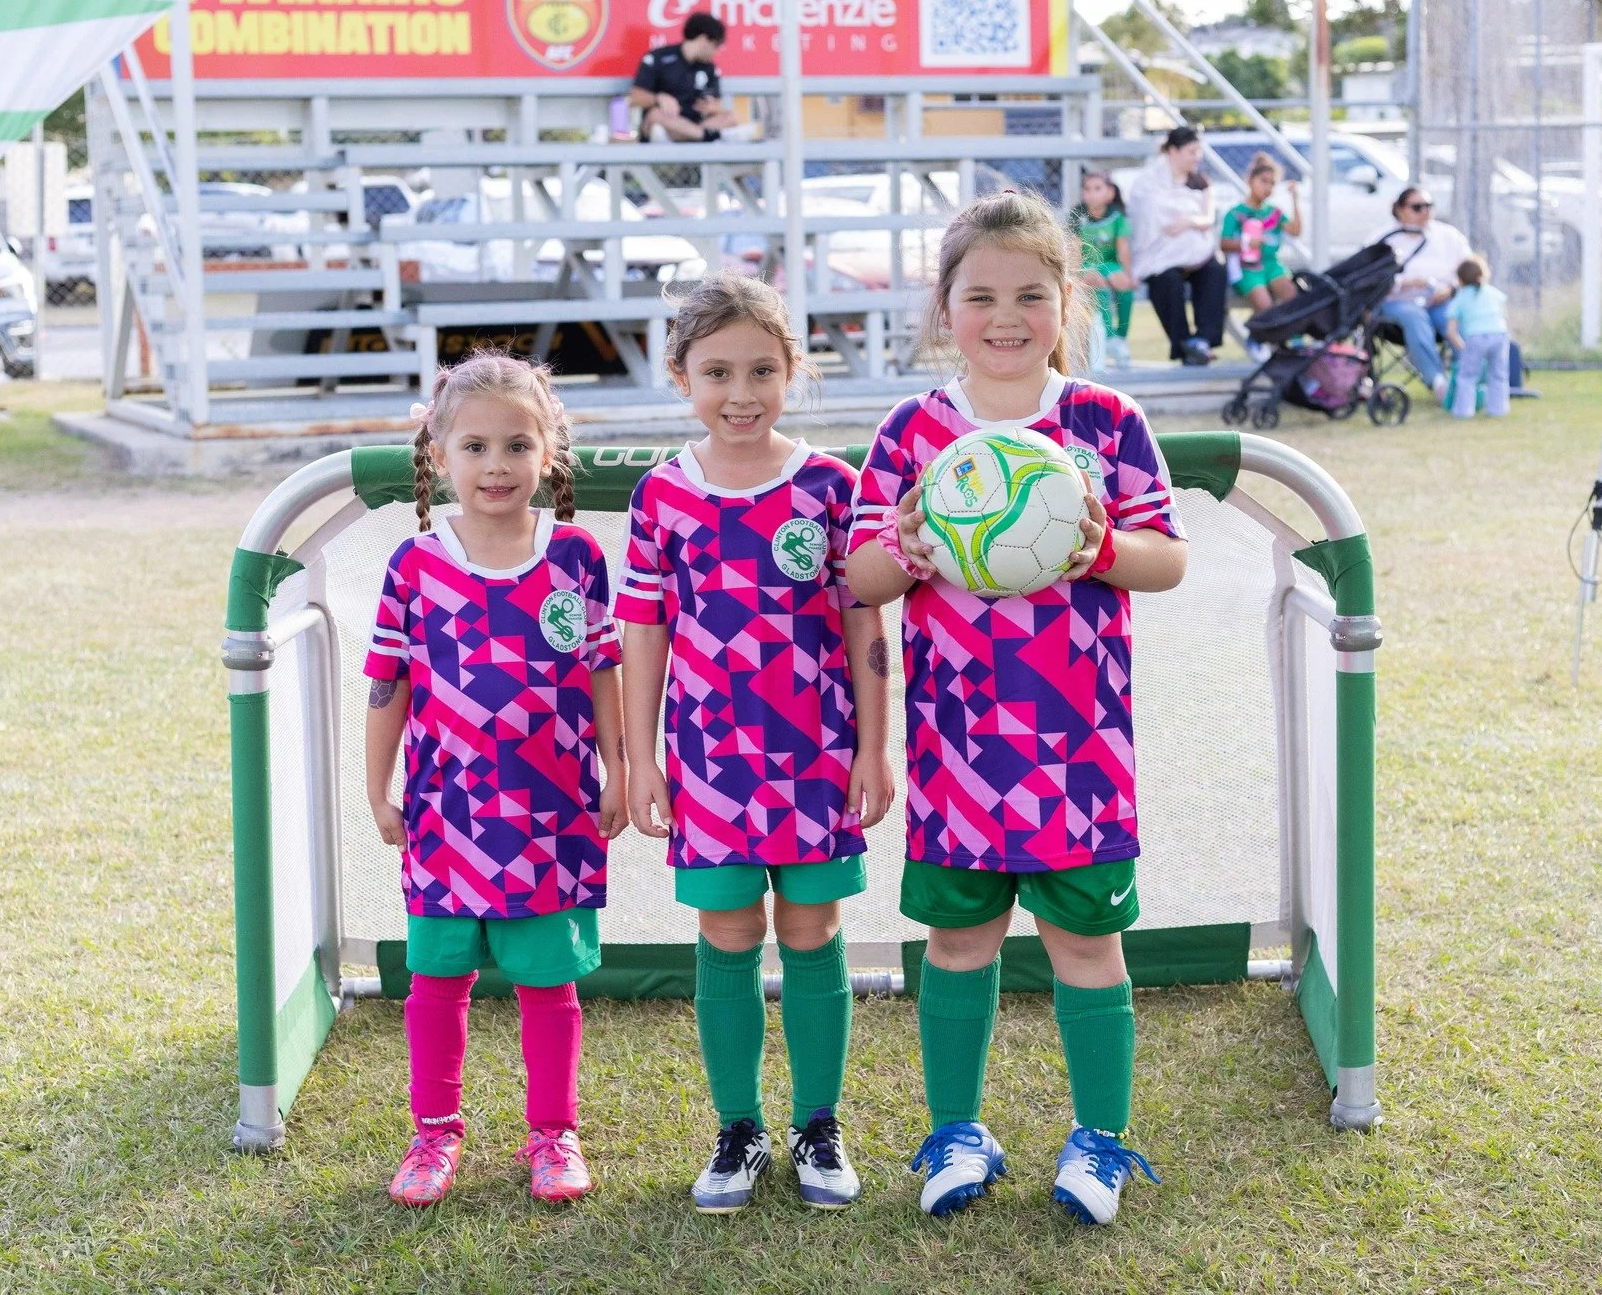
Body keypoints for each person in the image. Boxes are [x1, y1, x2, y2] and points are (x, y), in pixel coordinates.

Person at [845, 191, 1188, 1227]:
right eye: (980, 295)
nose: (1005, 316)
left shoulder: (1105, 423)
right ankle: (955, 1131)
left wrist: (1099, 550)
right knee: (959, 943)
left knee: (1087, 946)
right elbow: (860, 581)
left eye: (1029, 295)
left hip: (1079, 751)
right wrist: (904, 548)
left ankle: (1101, 1138)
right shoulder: (912, 432)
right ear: (943, 308)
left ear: (1065, 303)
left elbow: (1165, 559)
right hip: (959, 753)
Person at [618, 272, 894, 1214]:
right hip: (710, 766)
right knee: (728, 933)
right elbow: (645, 630)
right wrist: (640, 755)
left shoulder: (830, 485)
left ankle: (820, 1121)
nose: (742, 392)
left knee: (813, 932)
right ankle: (737, 1127)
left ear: (794, 371)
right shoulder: (662, 494)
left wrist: (875, 746)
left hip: (817, 759)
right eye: (719, 371)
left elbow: (864, 623)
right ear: (681, 375)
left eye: (764, 370)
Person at [364, 353, 626, 1208]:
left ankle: (554, 1134)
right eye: (475, 446)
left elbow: (603, 672)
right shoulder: (414, 566)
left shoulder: (577, 557)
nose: (497, 465)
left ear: (550, 453)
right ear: (439, 455)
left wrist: (620, 766)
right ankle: (433, 1134)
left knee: (548, 984)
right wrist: (377, 790)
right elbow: (388, 687)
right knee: (438, 980)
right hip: (447, 817)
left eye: (518, 444)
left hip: (552, 818)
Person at [1128, 126, 1227, 367]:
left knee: (1215, 270)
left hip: (1197, 253)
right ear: (1173, 151)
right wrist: (1183, 220)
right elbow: (1150, 217)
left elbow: (1207, 219)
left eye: (1198, 151)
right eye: (1191, 151)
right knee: (1166, 281)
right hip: (1159, 254)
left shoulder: (1201, 182)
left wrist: (1188, 221)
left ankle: (1203, 340)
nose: (1197, 157)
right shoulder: (1148, 182)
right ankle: (1184, 345)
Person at [1372, 186, 1474, 398]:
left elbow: (1470, 270)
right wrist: (1406, 283)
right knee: (1414, 315)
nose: (1425, 212)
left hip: (1439, 302)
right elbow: (1369, 280)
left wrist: (1450, 288)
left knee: (1453, 317)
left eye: (1429, 206)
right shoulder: (1383, 239)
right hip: (1396, 307)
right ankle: (1438, 383)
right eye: (1417, 207)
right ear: (1400, 210)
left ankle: (1469, 382)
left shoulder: (1448, 236)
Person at [628, 12, 759, 143]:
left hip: (696, 125)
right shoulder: (659, 58)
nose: (717, 52)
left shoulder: (709, 68)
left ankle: (699, 135)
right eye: (716, 45)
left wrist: (714, 108)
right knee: (655, 115)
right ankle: (711, 136)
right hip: (666, 126)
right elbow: (634, 97)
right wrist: (659, 98)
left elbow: (716, 103)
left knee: (731, 116)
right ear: (703, 39)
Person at [1219, 153, 1303, 316]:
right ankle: (1258, 338)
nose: (1268, 188)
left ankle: (1294, 340)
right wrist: (1247, 243)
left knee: (1293, 298)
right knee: (1265, 307)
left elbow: (1295, 231)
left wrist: (1295, 199)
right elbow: (1224, 244)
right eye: (1263, 181)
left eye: (1272, 183)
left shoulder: (1274, 212)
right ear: (1250, 180)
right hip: (1247, 268)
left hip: (1272, 264)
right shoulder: (1236, 213)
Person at [1071, 171, 1136, 371]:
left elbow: (1123, 248)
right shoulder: (1077, 215)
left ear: (1109, 192)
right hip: (1086, 264)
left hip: (1109, 263)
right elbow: (1074, 249)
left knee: (1124, 283)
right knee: (1095, 280)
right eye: (1087, 189)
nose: (1091, 194)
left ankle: (1120, 339)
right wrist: (1075, 274)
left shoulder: (1117, 215)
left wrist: (1129, 274)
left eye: (1097, 188)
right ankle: (1108, 337)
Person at [1443, 255, 1513, 419]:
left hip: (1475, 338)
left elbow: (1451, 331)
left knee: (1467, 376)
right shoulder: (1494, 293)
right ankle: (1498, 409)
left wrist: (1462, 346)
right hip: (1499, 335)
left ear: (1460, 280)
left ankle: (1464, 411)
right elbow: (1504, 316)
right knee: (1498, 374)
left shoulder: (1460, 298)